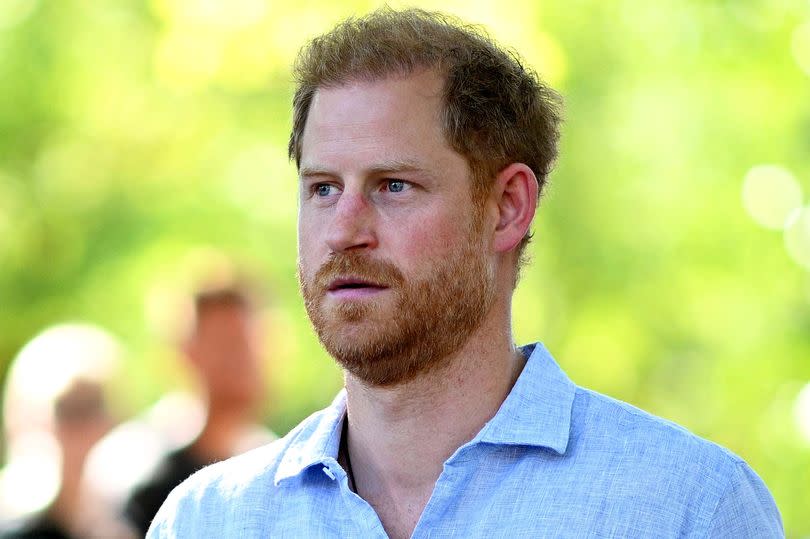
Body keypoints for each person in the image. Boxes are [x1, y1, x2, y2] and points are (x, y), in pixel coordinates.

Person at [148, 8, 783, 538]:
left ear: (507, 208)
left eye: (393, 185)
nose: (343, 229)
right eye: (322, 188)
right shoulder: (208, 521)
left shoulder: (688, 511)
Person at [122, 283, 275, 536]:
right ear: (188, 354)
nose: (244, 359)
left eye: (251, 342)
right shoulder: (152, 484)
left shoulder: (279, 469)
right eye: (227, 344)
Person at [0, 324, 124, 539]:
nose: (84, 428)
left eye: (93, 407)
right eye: (68, 411)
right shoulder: (13, 525)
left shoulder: (123, 517)